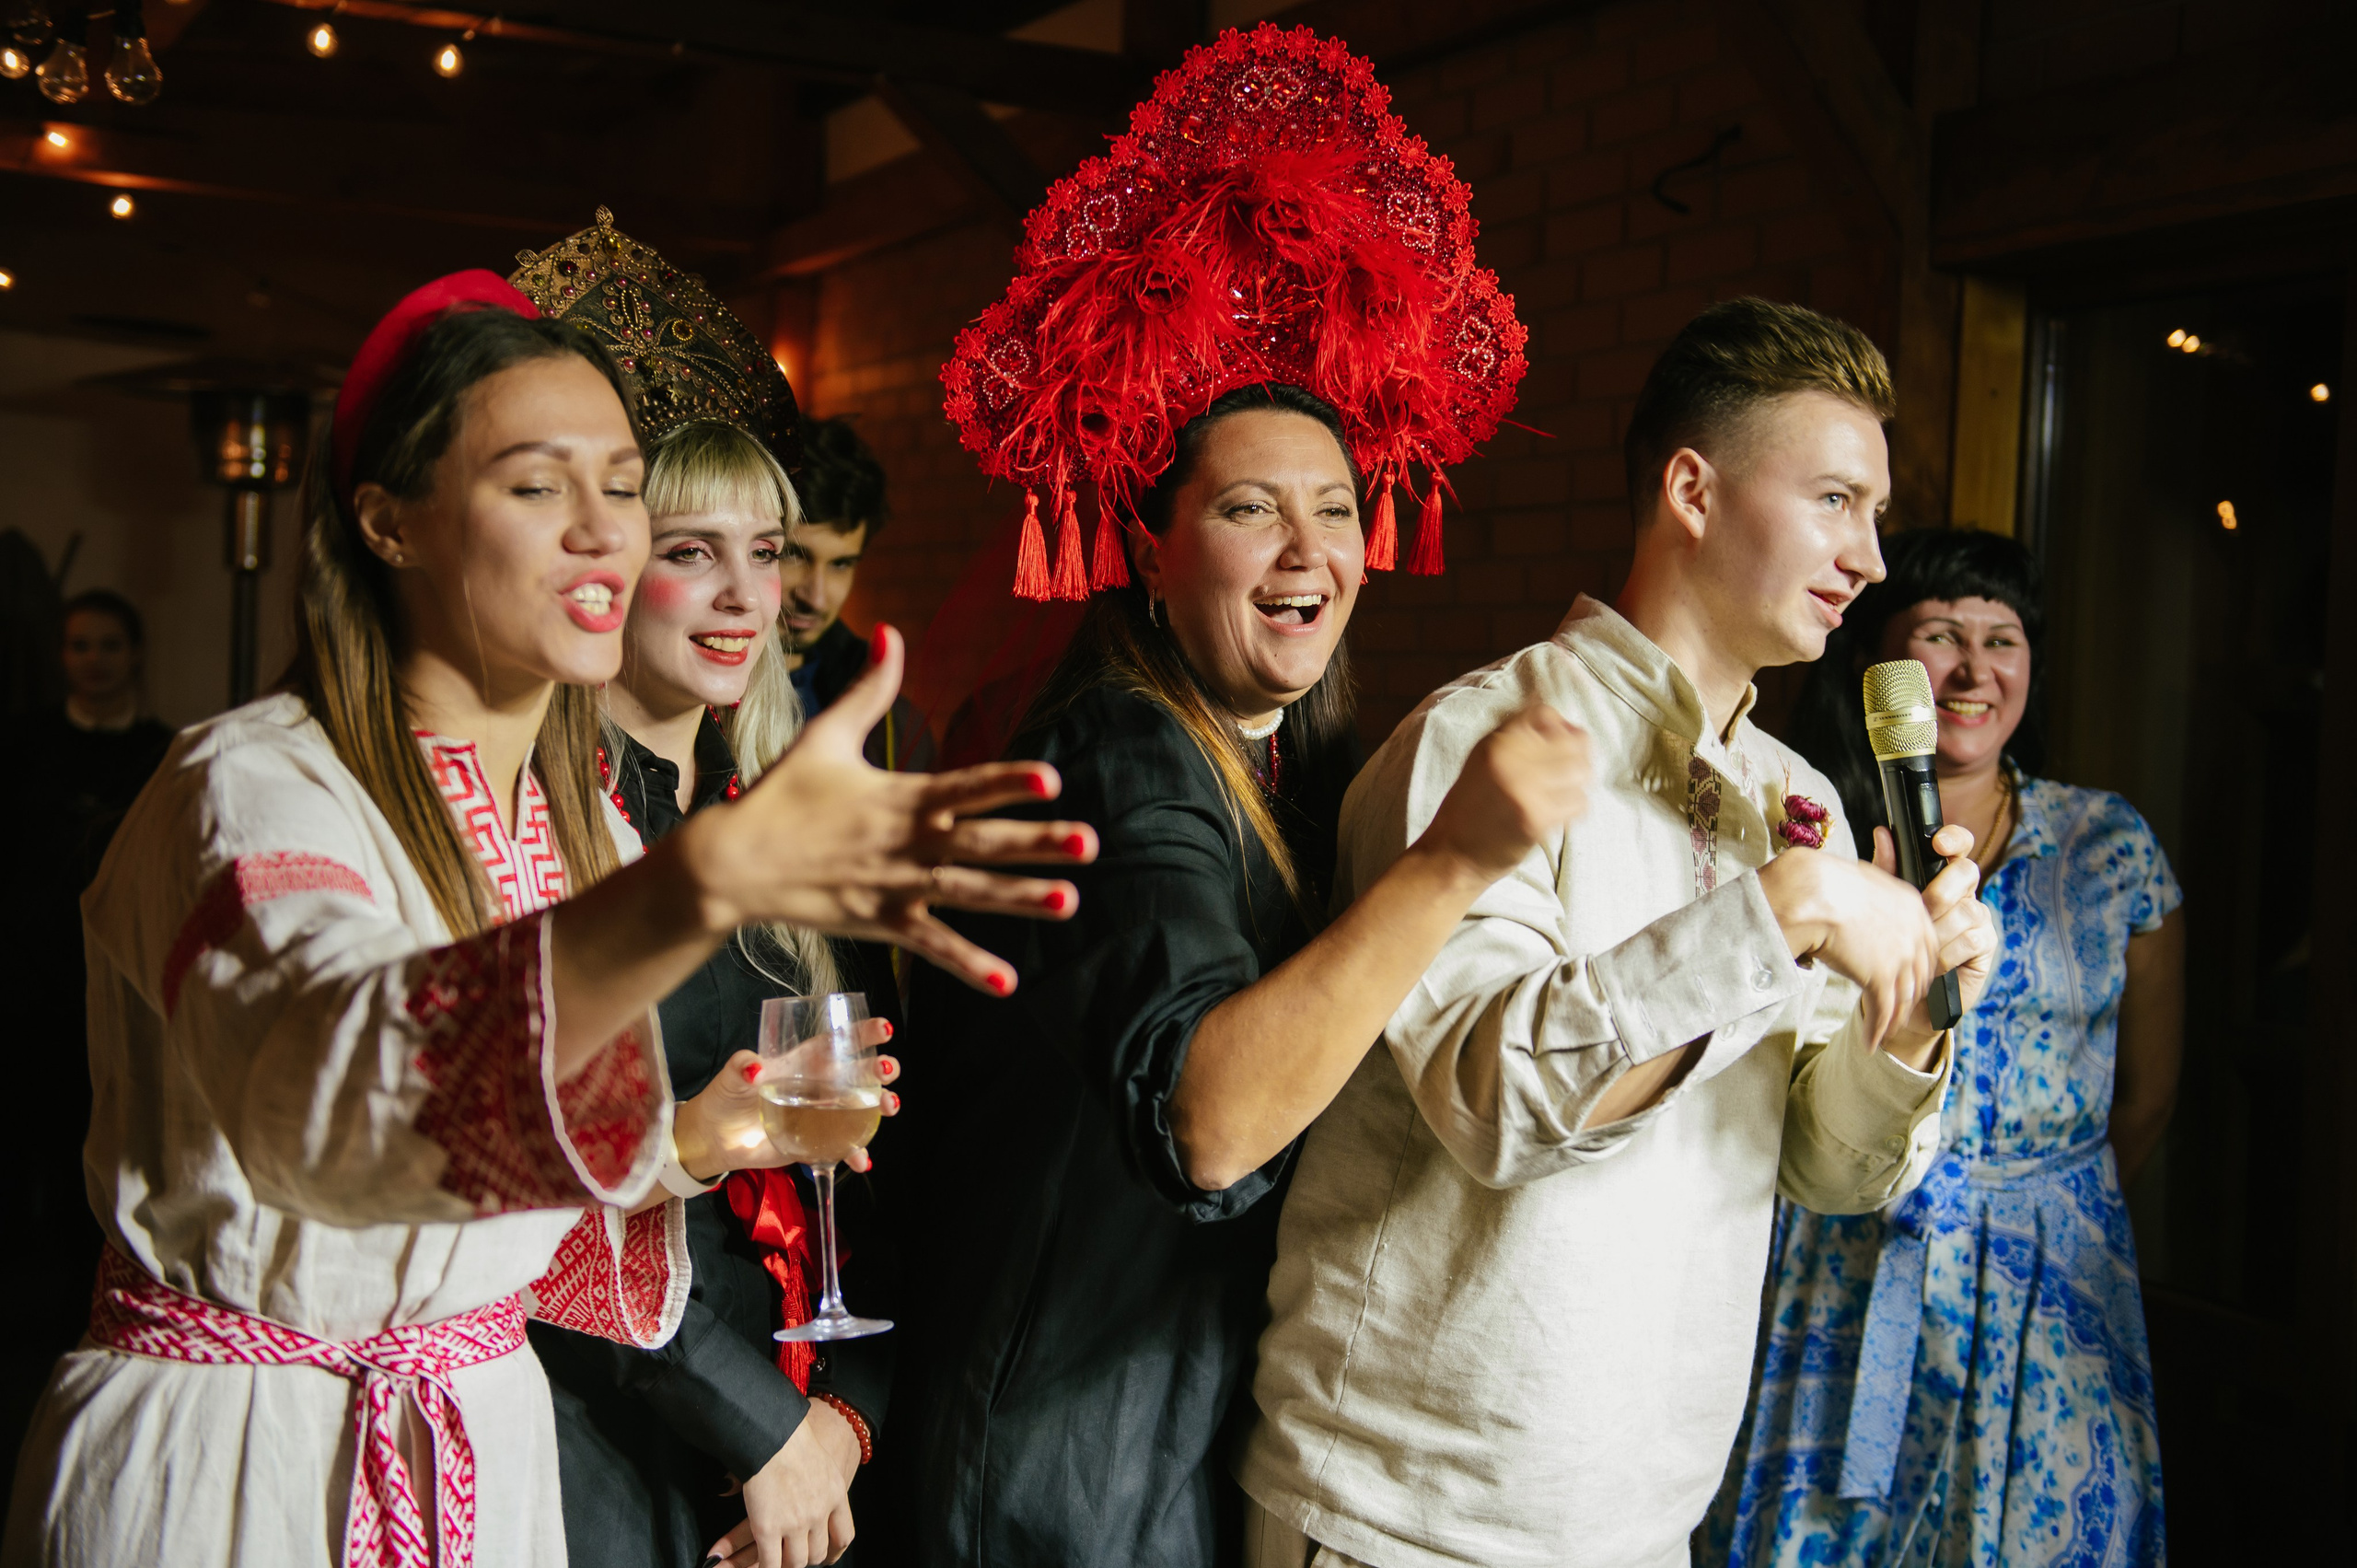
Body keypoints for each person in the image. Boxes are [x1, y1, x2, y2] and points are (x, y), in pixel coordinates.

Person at [1, 270, 1091, 1567]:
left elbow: (533, 1212)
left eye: (623, 484)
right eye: (536, 483)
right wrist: (708, 882)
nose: (600, 531)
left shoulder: (572, 828)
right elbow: (335, 1102)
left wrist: (683, 1141)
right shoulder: (248, 785)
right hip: (253, 1450)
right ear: (389, 522)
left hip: (481, 1436)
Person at [878, 27, 1583, 1567]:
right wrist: (1459, 857)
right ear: (1145, 547)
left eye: (1334, 510)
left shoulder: (1281, 753)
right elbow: (1208, 1120)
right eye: (1250, 509)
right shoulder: (1119, 754)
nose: (1308, 552)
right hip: (1065, 1461)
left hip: (1174, 1424)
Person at [1237, 296, 2003, 1568]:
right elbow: (1499, 1104)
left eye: (1874, 511)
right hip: (1409, 1516)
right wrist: (1785, 910)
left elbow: (1832, 1167)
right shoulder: (1489, 737)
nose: (1869, 555)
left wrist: (1909, 1013)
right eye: (1832, 499)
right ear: (1692, 490)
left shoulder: (1794, 793)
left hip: (1647, 1519)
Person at [502, 217, 893, 1568]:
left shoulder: (782, 829)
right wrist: (761, 1431)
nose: (746, 596)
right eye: (694, 548)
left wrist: (841, 1418)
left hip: (789, 1448)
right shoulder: (532, 833)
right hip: (600, 1449)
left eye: (769, 550)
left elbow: (869, 1189)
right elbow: (531, 1215)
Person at [1702, 528, 2182, 1568]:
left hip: (2053, 1285)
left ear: (2029, 666)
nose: (1973, 670)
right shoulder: (1807, 827)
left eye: (2001, 639)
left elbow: (2147, 1095)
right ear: (1881, 668)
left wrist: (2026, 1209)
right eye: (1940, 635)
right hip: (1846, 1256)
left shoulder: (2110, 842)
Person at [10, 591, 177, 1456]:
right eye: (80, 644)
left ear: (134, 653)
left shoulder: (163, 755)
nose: (94, 659)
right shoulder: (28, 746)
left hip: (109, 998)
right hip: (25, 998)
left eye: (109, 644)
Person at [780, 415, 930, 772]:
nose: (815, 596)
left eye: (841, 564)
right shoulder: (690, 705)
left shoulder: (892, 726)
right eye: (794, 556)